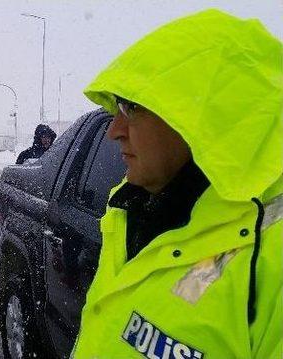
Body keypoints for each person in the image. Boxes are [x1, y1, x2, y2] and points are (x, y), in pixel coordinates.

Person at [72, 9, 282, 358]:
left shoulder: (268, 262)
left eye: (132, 109)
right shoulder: (129, 211)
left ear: (204, 118)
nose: (114, 131)